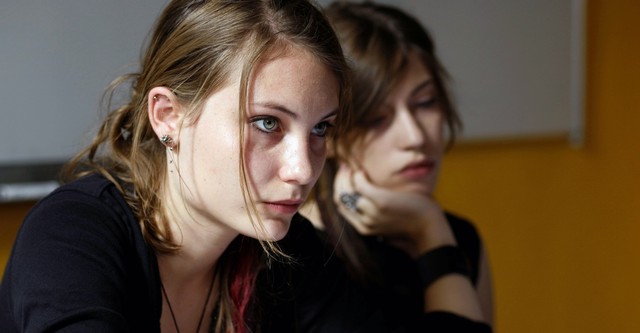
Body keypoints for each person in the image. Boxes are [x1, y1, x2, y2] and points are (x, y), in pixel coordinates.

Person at [0, 0, 351, 332]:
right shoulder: (71, 236)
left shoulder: (289, 251)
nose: (303, 170)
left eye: (320, 128)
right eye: (267, 123)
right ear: (168, 116)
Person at [266, 1, 494, 332]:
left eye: (426, 102)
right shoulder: (294, 252)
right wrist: (431, 230)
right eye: (376, 119)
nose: (415, 136)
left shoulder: (458, 237)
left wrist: (433, 232)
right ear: (331, 132)